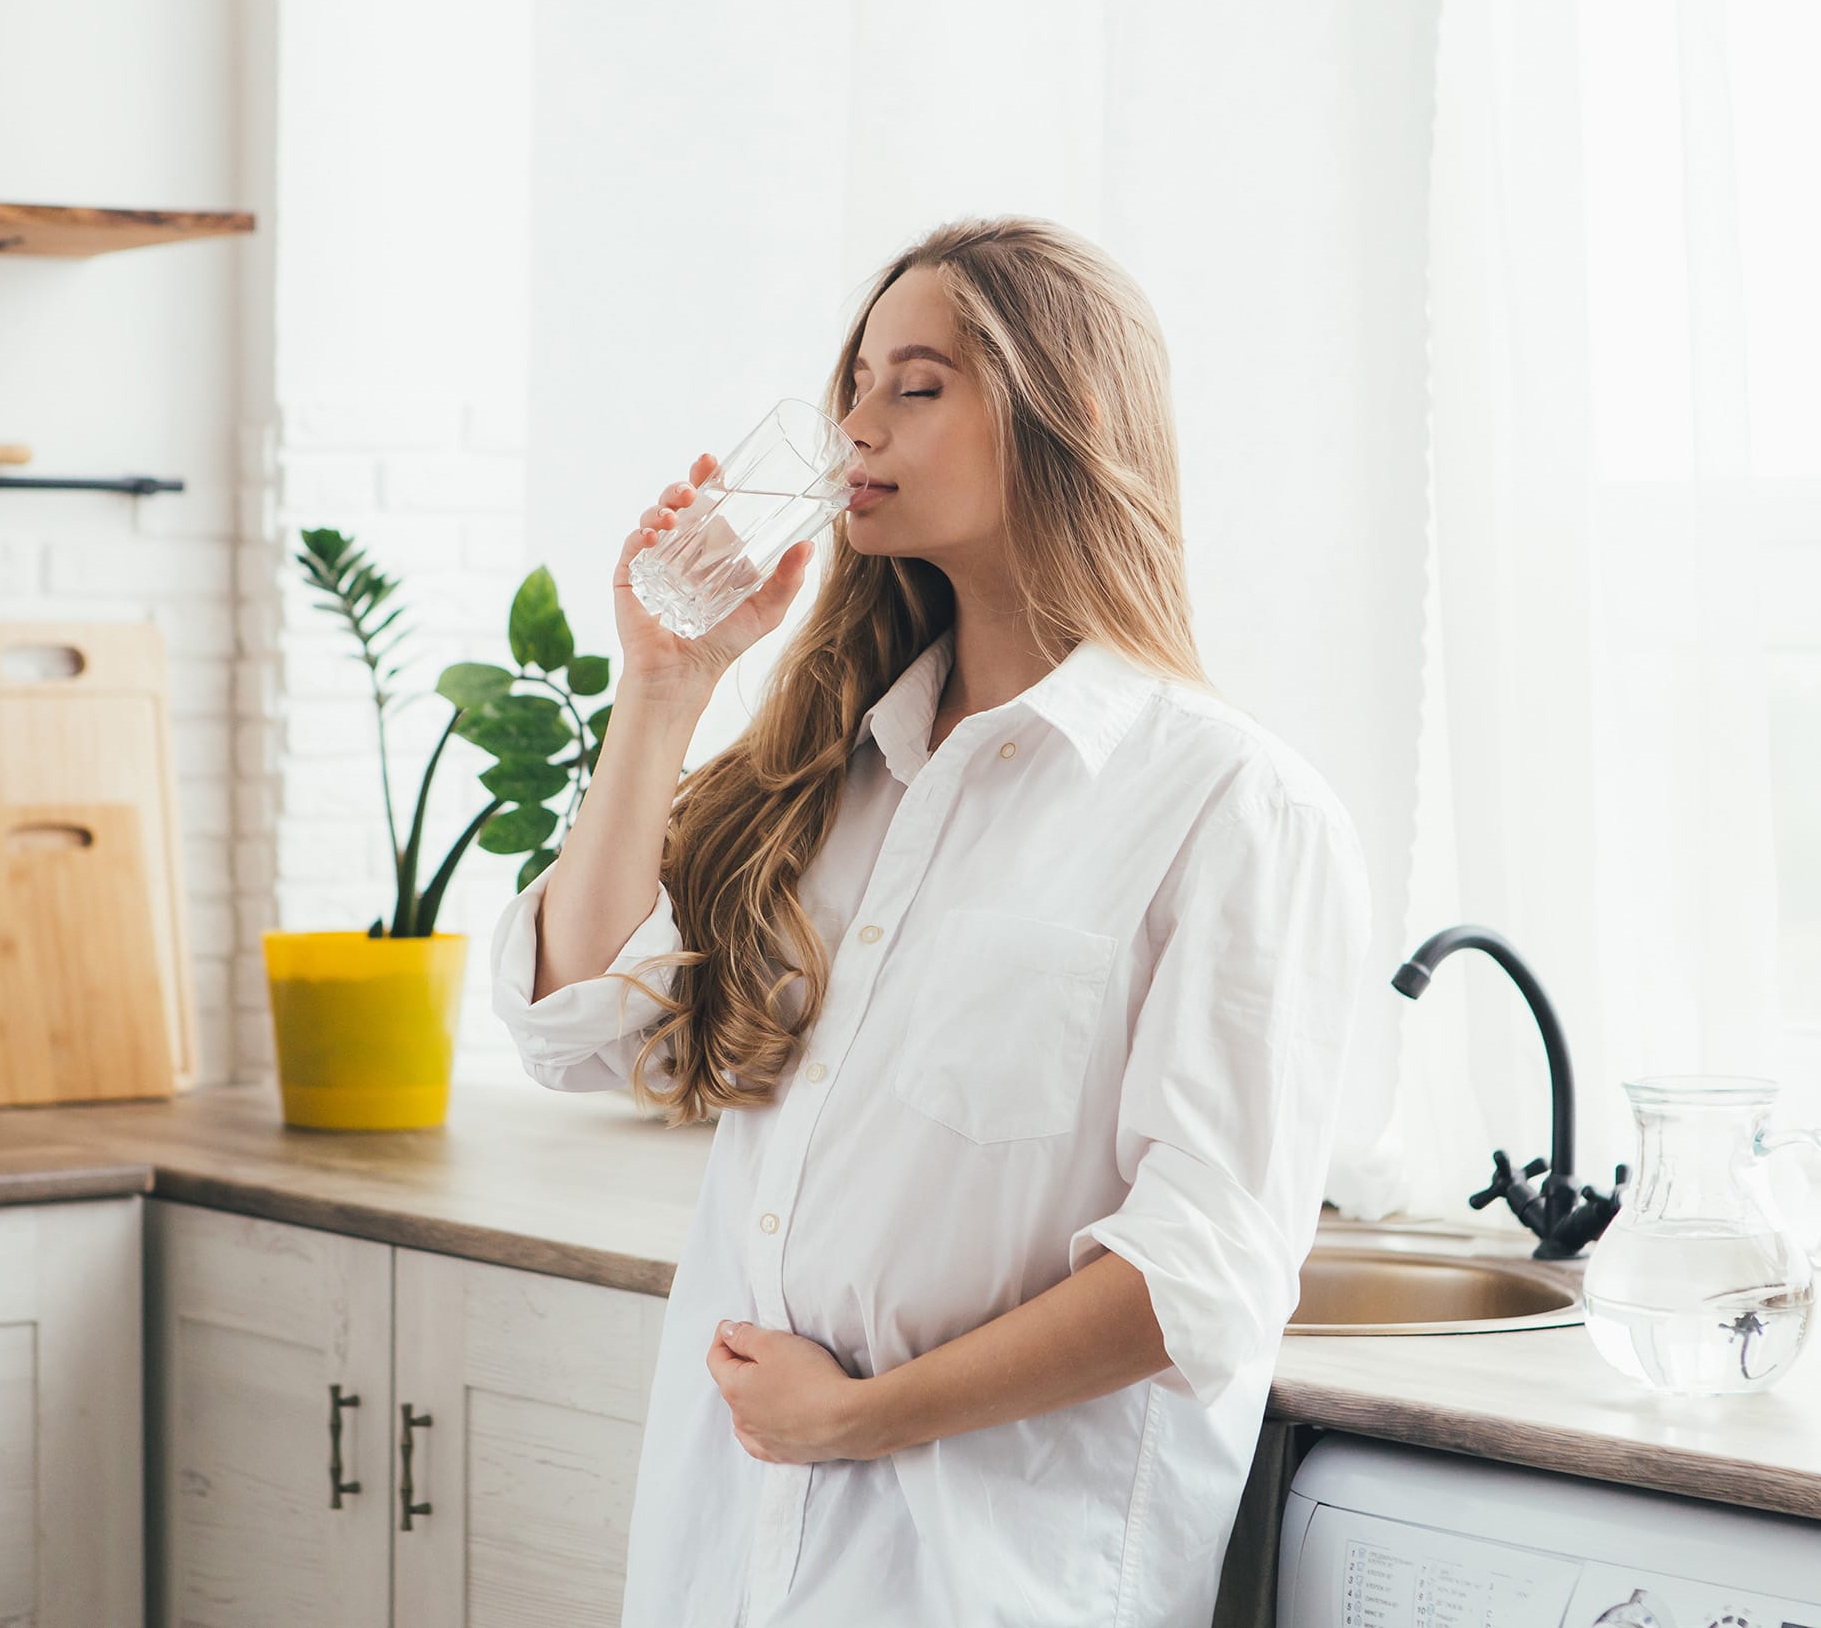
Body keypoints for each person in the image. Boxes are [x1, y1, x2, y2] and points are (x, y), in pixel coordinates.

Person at [489, 215, 1372, 1627]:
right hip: (732, 1564)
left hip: (986, 1584)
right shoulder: (835, 775)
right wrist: (661, 692)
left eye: (917, 385)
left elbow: (1196, 1276)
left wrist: (868, 1417)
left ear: (1066, 416)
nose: (855, 428)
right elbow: (578, 1026)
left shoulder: (1230, 811)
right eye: (854, 386)